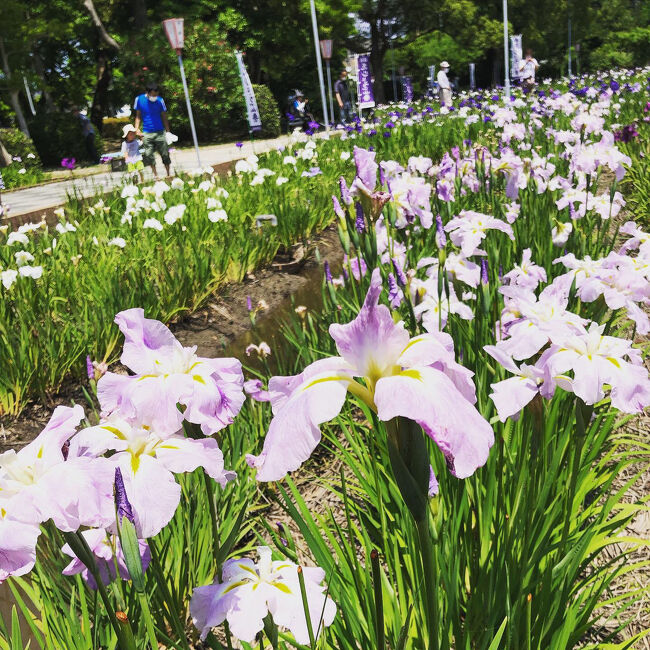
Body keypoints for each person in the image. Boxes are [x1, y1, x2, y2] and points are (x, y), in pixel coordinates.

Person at [133, 82, 171, 178]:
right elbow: (138, 115)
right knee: (149, 155)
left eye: (156, 95)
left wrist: (168, 131)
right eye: (153, 95)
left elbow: (164, 116)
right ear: (147, 92)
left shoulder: (160, 100)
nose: (155, 97)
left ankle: (168, 174)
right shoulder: (139, 99)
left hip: (160, 132)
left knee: (165, 153)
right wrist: (136, 129)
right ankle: (156, 175)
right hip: (147, 132)